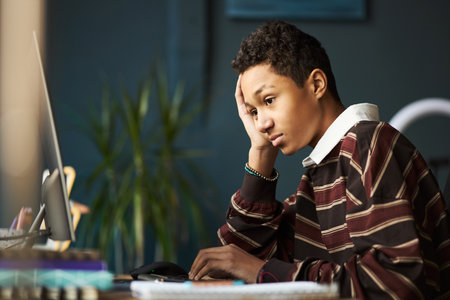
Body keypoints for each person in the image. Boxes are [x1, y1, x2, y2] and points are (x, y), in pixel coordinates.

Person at [189, 21, 450, 299]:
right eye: (253, 111)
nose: (262, 123)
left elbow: (393, 283)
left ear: (316, 84)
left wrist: (263, 271)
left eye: (268, 100)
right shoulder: (318, 176)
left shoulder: (369, 143)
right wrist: (261, 152)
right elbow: (236, 262)